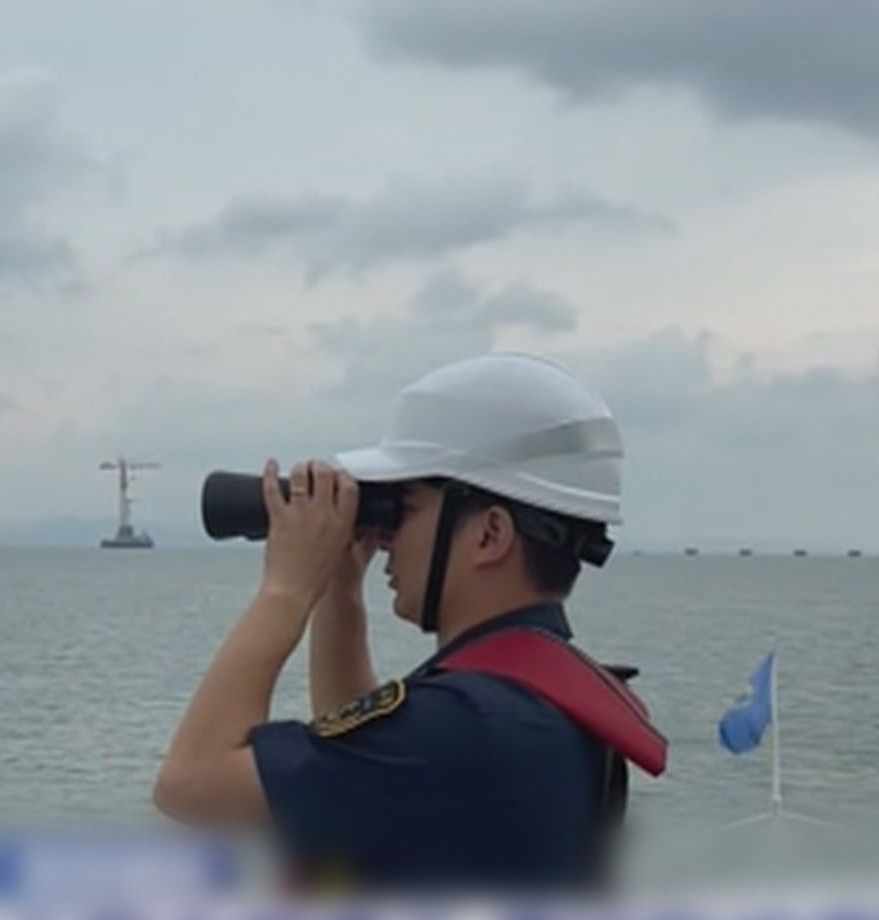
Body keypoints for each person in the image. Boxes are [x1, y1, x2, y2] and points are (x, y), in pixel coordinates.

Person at [151, 352, 667, 891]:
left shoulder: (468, 724)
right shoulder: (532, 701)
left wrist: (286, 588)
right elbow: (364, 765)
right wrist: (338, 593)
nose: (388, 534)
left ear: (490, 535)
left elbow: (191, 783)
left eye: (407, 507)